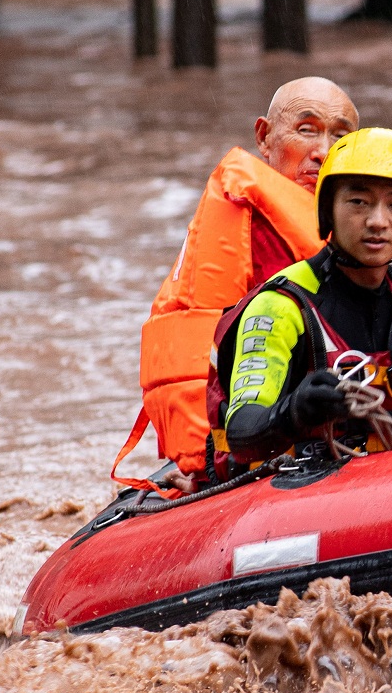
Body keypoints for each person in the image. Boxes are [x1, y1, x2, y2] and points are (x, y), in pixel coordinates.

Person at [112, 77, 359, 490]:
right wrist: (207, 468)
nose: (323, 152)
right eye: (306, 130)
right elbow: (200, 353)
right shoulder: (244, 222)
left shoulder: (365, 228)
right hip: (256, 441)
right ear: (264, 137)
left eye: (341, 136)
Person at [207, 128, 392, 478]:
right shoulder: (280, 305)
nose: (377, 221)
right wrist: (294, 410)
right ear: (328, 209)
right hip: (298, 491)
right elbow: (243, 433)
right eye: (358, 202)